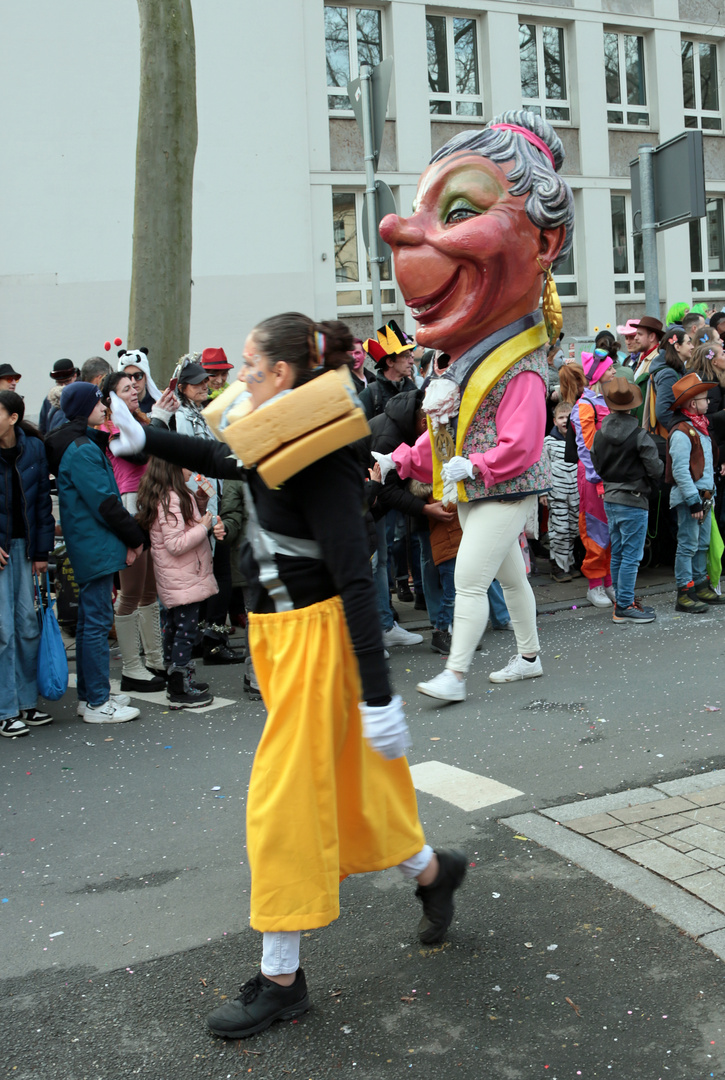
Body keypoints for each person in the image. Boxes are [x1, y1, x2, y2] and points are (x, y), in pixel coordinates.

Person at [108, 311, 466, 1039]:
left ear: (282, 372)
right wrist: (149, 438)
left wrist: (376, 692)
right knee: (359, 785)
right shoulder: (277, 425)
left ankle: (281, 976)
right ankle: (433, 872)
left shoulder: (328, 451)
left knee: (281, 805)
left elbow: (355, 579)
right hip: (280, 638)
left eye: (247, 363)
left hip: (318, 642)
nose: (236, 374)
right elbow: (230, 461)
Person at [373, 109, 575, 700]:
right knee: (512, 581)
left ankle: (456, 673)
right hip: (474, 491)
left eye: (460, 212)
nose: (398, 228)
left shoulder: (522, 369)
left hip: (506, 491)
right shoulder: (462, 367)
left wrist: (474, 467)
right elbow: (444, 440)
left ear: (545, 242)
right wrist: (399, 462)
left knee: (467, 578)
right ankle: (531, 655)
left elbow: (520, 445)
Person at [44, 382, 142, 724]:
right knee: (97, 623)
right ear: (84, 407)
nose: (105, 405)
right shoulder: (83, 448)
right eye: (99, 401)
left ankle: (91, 696)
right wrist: (135, 536)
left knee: (91, 623)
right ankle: (99, 701)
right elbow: (105, 502)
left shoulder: (78, 444)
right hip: (95, 543)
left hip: (91, 543)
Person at [99, 371, 180, 692]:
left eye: (136, 386)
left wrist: (161, 417)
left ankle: (154, 660)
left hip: (150, 506)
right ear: (110, 398)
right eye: (126, 388)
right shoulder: (111, 429)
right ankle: (132, 668)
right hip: (129, 510)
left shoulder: (142, 420)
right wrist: (159, 418)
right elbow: (139, 452)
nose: (135, 391)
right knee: (131, 592)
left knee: (149, 592)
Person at [173, 356, 242, 665]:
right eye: (198, 382)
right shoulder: (179, 417)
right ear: (183, 387)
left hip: (214, 497)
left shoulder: (202, 414)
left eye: (205, 380)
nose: (205, 385)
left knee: (219, 568)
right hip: (196, 501)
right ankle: (208, 639)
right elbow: (184, 460)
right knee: (210, 571)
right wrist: (201, 497)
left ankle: (211, 636)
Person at [136, 457, 219, 708]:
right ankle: (180, 687)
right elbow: (176, 544)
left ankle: (180, 680)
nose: (192, 469)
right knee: (185, 631)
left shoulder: (172, 495)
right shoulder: (170, 499)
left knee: (174, 629)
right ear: (173, 468)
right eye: (186, 465)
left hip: (178, 577)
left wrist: (201, 503)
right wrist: (204, 527)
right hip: (181, 578)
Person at [0, 391, 55, 737]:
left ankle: (26, 702)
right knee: (4, 632)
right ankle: (6, 710)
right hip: (2, 552)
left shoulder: (33, 449)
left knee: (27, 627)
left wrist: (41, 554)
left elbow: (42, 508)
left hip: (25, 549)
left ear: (13, 418)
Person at [590, 378, 663, 623]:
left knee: (619, 553)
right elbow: (655, 468)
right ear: (632, 407)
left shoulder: (600, 435)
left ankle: (622, 603)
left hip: (610, 498)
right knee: (631, 555)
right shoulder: (640, 435)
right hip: (634, 498)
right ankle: (625, 605)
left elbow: (597, 466)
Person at [667, 373, 725, 613]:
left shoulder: (699, 428)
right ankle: (684, 591)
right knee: (688, 545)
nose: (708, 402)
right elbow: (680, 471)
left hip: (704, 497)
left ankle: (700, 585)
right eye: (704, 399)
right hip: (692, 499)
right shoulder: (682, 432)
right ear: (692, 404)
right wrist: (693, 502)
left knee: (701, 544)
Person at [570, 352, 615, 607]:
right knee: (595, 530)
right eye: (609, 369)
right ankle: (595, 585)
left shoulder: (605, 401)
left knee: (609, 529)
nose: (613, 373)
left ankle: (608, 582)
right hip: (593, 477)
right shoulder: (584, 406)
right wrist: (597, 477)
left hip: (608, 475)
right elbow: (586, 448)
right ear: (598, 375)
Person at [542, 401, 579, 582]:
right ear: (555, 421)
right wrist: (542, 493)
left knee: (573, 528)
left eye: (568, 417)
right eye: (561, 417)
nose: (565, 420)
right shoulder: (548, 442)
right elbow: (542, 467)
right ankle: (556, 563)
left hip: (575, 492)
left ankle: (568, 562)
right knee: (560, 528)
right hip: (557, 493)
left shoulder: (578, 440)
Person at [359, 321, 417, 420]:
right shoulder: (369, 396)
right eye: (406, 356)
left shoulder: (413, 391)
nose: (411, 361)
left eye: (411, 355)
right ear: (390, 362)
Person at [650, 326, 694, 434]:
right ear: (677, 347)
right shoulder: (669, 374)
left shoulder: (674, 370)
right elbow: (662, 411)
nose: (692, 346)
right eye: (688, 343)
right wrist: (682, 430)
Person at [631, 316, 664, 424]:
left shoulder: (658, 359)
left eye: (640, 334)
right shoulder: (643, 355)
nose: (635, 338)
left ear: (652, 337)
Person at [38, 359, 80, 435]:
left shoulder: (83, 396)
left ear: (75, 376)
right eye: (60, 383)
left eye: (67, 381)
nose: (63, 386)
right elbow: (42, 429)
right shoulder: (49, 400)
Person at [117, 349, 163, 415]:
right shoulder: (115, 409)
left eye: (138, 376)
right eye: (128, 377)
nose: (133, 382)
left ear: (146, 376)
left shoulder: (160, 403)